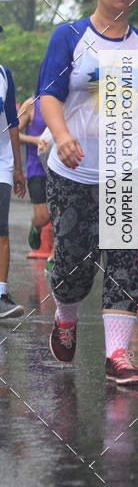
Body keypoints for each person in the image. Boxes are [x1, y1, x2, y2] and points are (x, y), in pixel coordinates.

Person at [38, 0, 138, 386]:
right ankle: (65, 315)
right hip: (75, 170)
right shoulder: (70, 36)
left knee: (123, 258)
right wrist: (61, 136)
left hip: (134, 166)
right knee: (73, 263)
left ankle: (117, 354)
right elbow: (49, 96)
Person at [0, 50, 26, 319]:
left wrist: (18, 168)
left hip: (1, 163)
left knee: (1, 229)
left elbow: (12, 122)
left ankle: (1, 295)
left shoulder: (4, 75)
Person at [18, 96, 50, 250]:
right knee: (44, 217)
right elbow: (12, 133)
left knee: (62, 218)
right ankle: (36, 226)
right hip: (37, 168)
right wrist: (35, 140)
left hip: (64, 166)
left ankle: (54, 259)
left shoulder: (65, 101)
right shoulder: (30, 104)